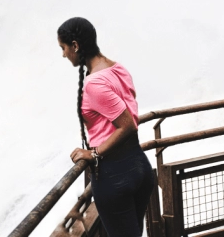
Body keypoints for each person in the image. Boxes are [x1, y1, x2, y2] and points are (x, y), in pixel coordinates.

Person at [57, 17, 154, 237]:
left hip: (114, 175)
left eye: (63, 48)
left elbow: (127, 125)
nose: (63, 54)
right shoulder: (117, 68)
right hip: (139, 168)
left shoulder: (94, 83)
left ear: (75, 45)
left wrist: (93, 153)